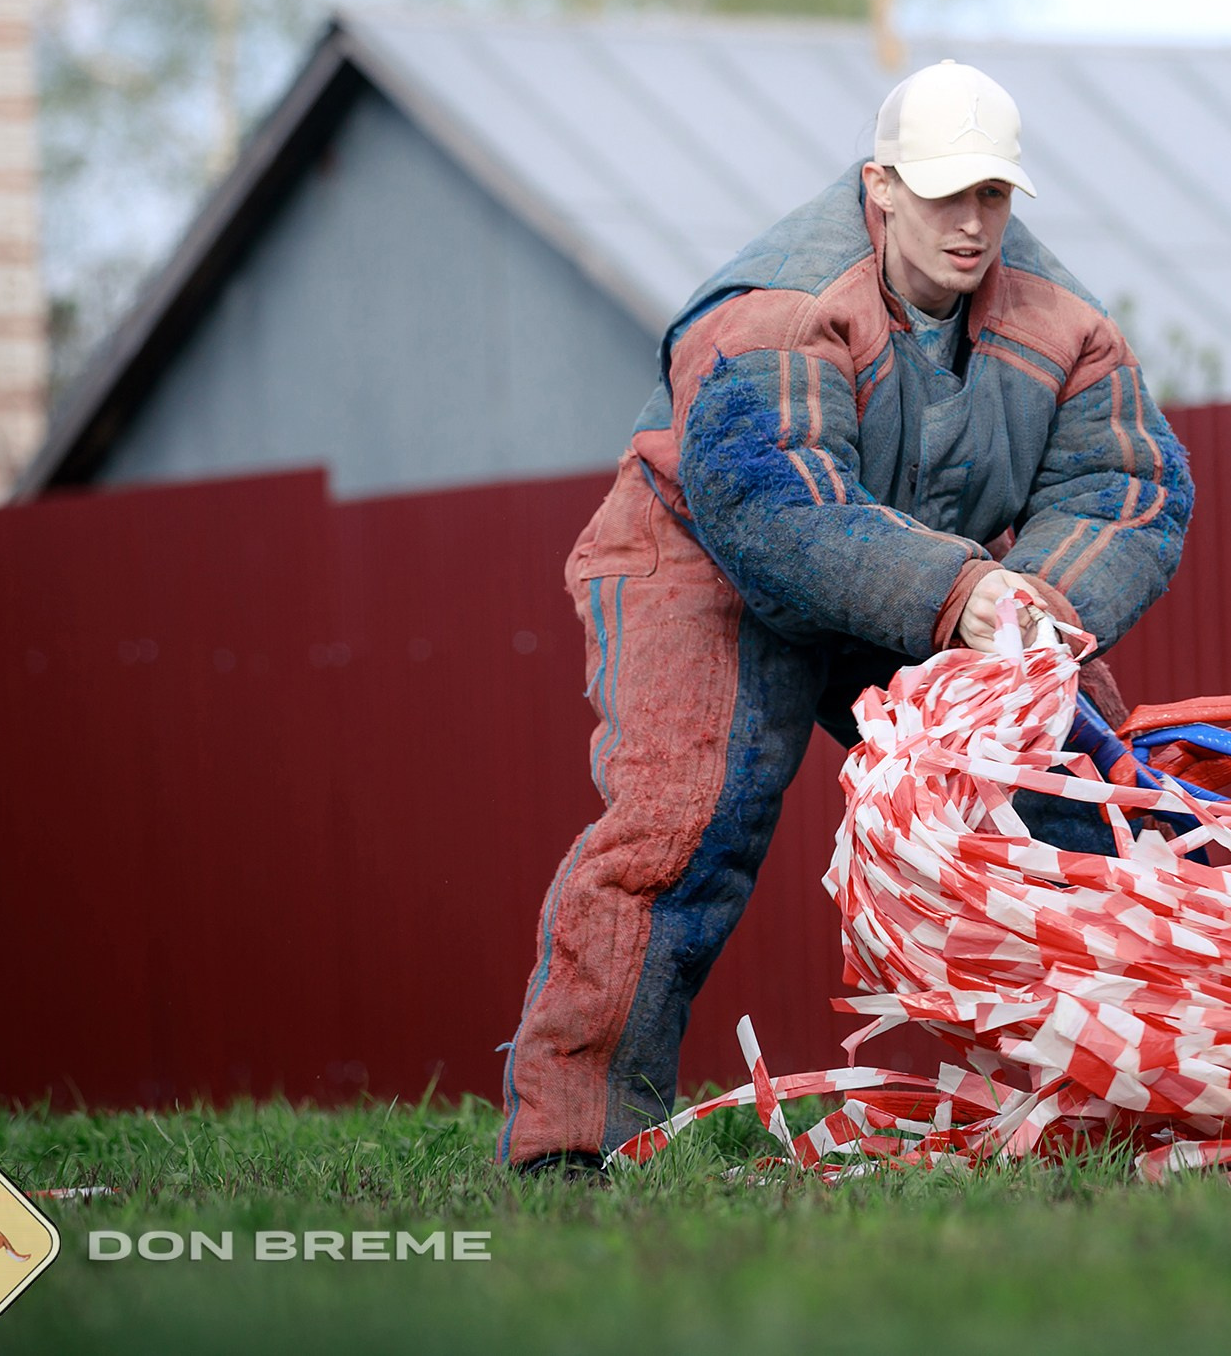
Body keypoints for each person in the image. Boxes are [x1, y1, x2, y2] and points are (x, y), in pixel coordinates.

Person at [497, 59, 1194, 1174]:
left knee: (1084, 791)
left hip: (920, 569)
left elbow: (1127, 485)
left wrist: (1033, 606)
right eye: (944, 194)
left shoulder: (1066, 324)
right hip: (709, 558)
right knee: (685, 826)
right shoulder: (779, 307)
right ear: (880, 185)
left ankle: (1159, 1100)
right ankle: (570, 1143)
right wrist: (964, 595)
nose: (972, 226)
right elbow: (773, 502)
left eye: (993, 196)